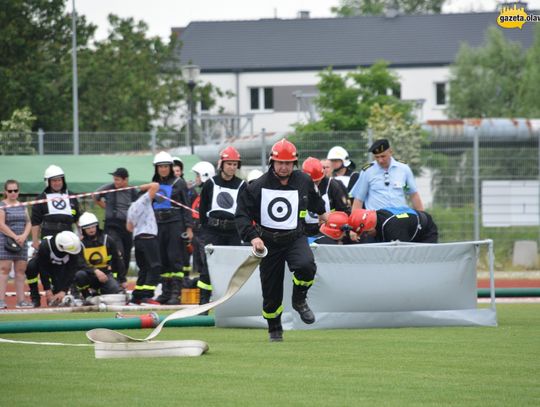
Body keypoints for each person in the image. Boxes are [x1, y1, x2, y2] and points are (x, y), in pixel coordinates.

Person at [236, 139, 328, 342]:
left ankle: (300, 299)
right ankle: (275, 330)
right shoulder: (256, 186)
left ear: (294, 163)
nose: (284, 167)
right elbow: (241, 215)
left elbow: (315, 201)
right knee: (271, 292)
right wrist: (253, 237)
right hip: (268, 243)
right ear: (272, 162)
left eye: (288, 163)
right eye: (280, 163)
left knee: (306, 266)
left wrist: (323, 214)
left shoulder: (304, 181)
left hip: (295, 237)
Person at [198, 146, 246, 305]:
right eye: (229, 164)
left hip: (233, 233)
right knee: (207, 269)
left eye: (234, 164)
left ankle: (229, 303)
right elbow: (203, 209)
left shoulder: (242, 185)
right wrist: (206, 231)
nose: (232, 167)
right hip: (213, 232)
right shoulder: (210, 183)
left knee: (232, 269)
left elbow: (244, 210)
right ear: (222, 164)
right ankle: (203, 304)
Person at [151, 152, 193, 305]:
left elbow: (186, 206)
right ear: (156, 168)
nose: (163, 169)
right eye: (160, 167)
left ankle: (176, 293)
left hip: (175, 223)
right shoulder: (154, 183)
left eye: (165, 166)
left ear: (170, 167)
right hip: (159, 224)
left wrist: (189, 228)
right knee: (162, 259)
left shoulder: (178, 182)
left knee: (175, 258)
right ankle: (165, 292)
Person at [351, 139, 424, 212]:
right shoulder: (367, 171)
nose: (380, 160)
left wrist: (423, 217)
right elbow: (359, 199)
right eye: (377, 157)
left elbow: (413, 194)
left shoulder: (403, 169)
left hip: (400, 217)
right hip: (377, 219)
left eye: (383, 156)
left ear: (390, 152)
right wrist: (355, 221)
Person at [93, 167, 138, 282]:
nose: (115, 182)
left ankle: (122, 279)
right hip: (112, 226)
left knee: (126, 254)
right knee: (118, 252)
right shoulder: (109, 188)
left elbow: (138, 206)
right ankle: (114, 278)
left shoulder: (132, 191)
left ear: (125, 180)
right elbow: (95, 196)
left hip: (127, 227)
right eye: (114, 179)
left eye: (118, 179)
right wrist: (106, 207)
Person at [126, 182, 162, 305]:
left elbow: (129, 227)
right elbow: (155, 186)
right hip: (148, 238)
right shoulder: (144, 200)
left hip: (138, 239)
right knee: (155, 267)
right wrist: (143, 187)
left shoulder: (131, 207)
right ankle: (147, 296)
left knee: (144, 269)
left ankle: (137, 297)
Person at [25, 230, 82, 307]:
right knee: (31, 266)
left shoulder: (74, 250)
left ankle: (69, 292)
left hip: (60, 268)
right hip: (45, 266)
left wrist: (63, 291)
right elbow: (43, 269)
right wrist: (47, 290)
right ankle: (35, 297)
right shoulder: (45, 246)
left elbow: (72, 270)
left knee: (57, 299)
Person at [74, 212, 122, 300]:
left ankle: (99, 292)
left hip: (105, 275)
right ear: (83, 229)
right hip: (89, 275)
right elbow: (80, 263)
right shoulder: (80, 244)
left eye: (93, 226)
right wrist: (95, 271)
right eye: (87, 228)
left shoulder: (108, 240)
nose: (91, 230)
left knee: (114, 289)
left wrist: (122, 279)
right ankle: (86, 295)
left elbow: (117, 260)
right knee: (79, 275)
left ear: (97, 226)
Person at [31, 165, 80, 250]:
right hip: (49, 237)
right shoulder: (41, 199)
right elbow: (35, 223)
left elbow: (77, 219)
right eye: (54, 181)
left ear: (63, 180)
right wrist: (35, 241)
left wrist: (81, 234)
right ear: (48, 182)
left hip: (68, 236)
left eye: (59, 180)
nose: (57, 183)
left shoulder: (71, 196)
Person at [0, 180, 32, 308]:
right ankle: (1, 300)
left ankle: (21, 300)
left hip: (21, 241)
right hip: (6, 240)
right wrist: (14, 236)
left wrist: (23, 236)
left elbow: (29, 222)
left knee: (20, 271)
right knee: (4, 270)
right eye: (10, 191)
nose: (13, 193)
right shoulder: (2, 205)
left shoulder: (23, 206)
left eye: (15, 190)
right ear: (5, 192)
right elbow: (1, 224)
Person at [301, 157, 350, 237]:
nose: (314, 185)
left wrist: (331, 221)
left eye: (317, 182)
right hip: (305, 233)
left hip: (329, 232)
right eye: (311, 182)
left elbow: (345, 212)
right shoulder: (299, 186)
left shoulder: (333, 186)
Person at [348, 207, 438, 243]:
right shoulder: (377, 217)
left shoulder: (393, 228)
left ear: (370, 227)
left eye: (366, 233)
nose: (366, 235)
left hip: (426, 231)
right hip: (409, 225)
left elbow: (404, 255)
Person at [189, 161, 216, 282]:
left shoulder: (211, 194)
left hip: (205, 235)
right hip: (198, 235)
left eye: (198, 175)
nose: (196, 179)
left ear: (205, 175)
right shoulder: (200, 194)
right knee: (201, 267)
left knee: (207, 266)